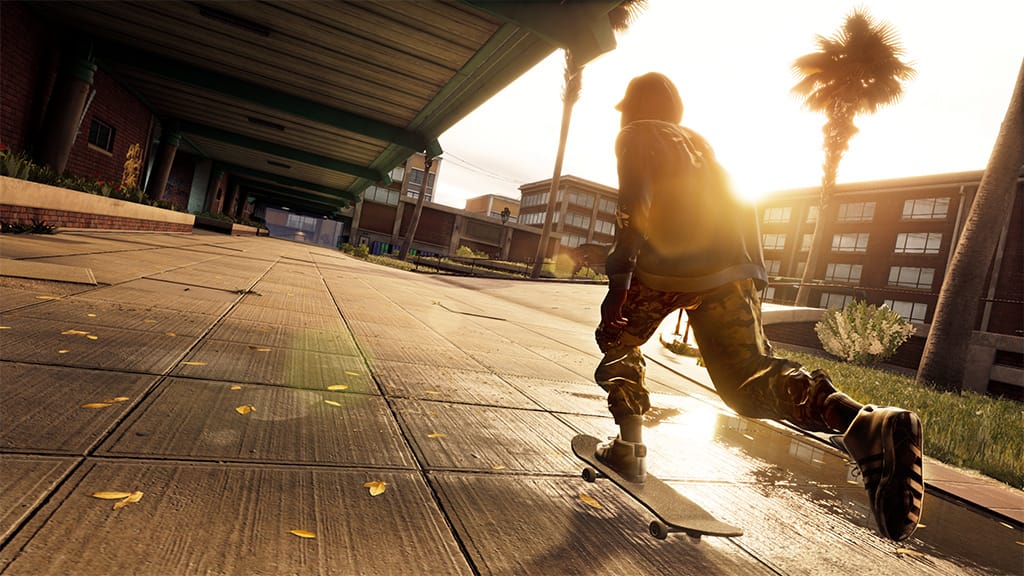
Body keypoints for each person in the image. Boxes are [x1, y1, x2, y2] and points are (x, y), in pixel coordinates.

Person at [593, 72, 924, 542]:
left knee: (616, 340)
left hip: (667, 268)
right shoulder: (706, 151)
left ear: (635, 107)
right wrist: (748, 278)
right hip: (736, 268)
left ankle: (629, 446)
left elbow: (634, 206)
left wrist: (619, 280)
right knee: (747, 381)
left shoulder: (636, 133)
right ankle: (859, 421)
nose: (624, 115)